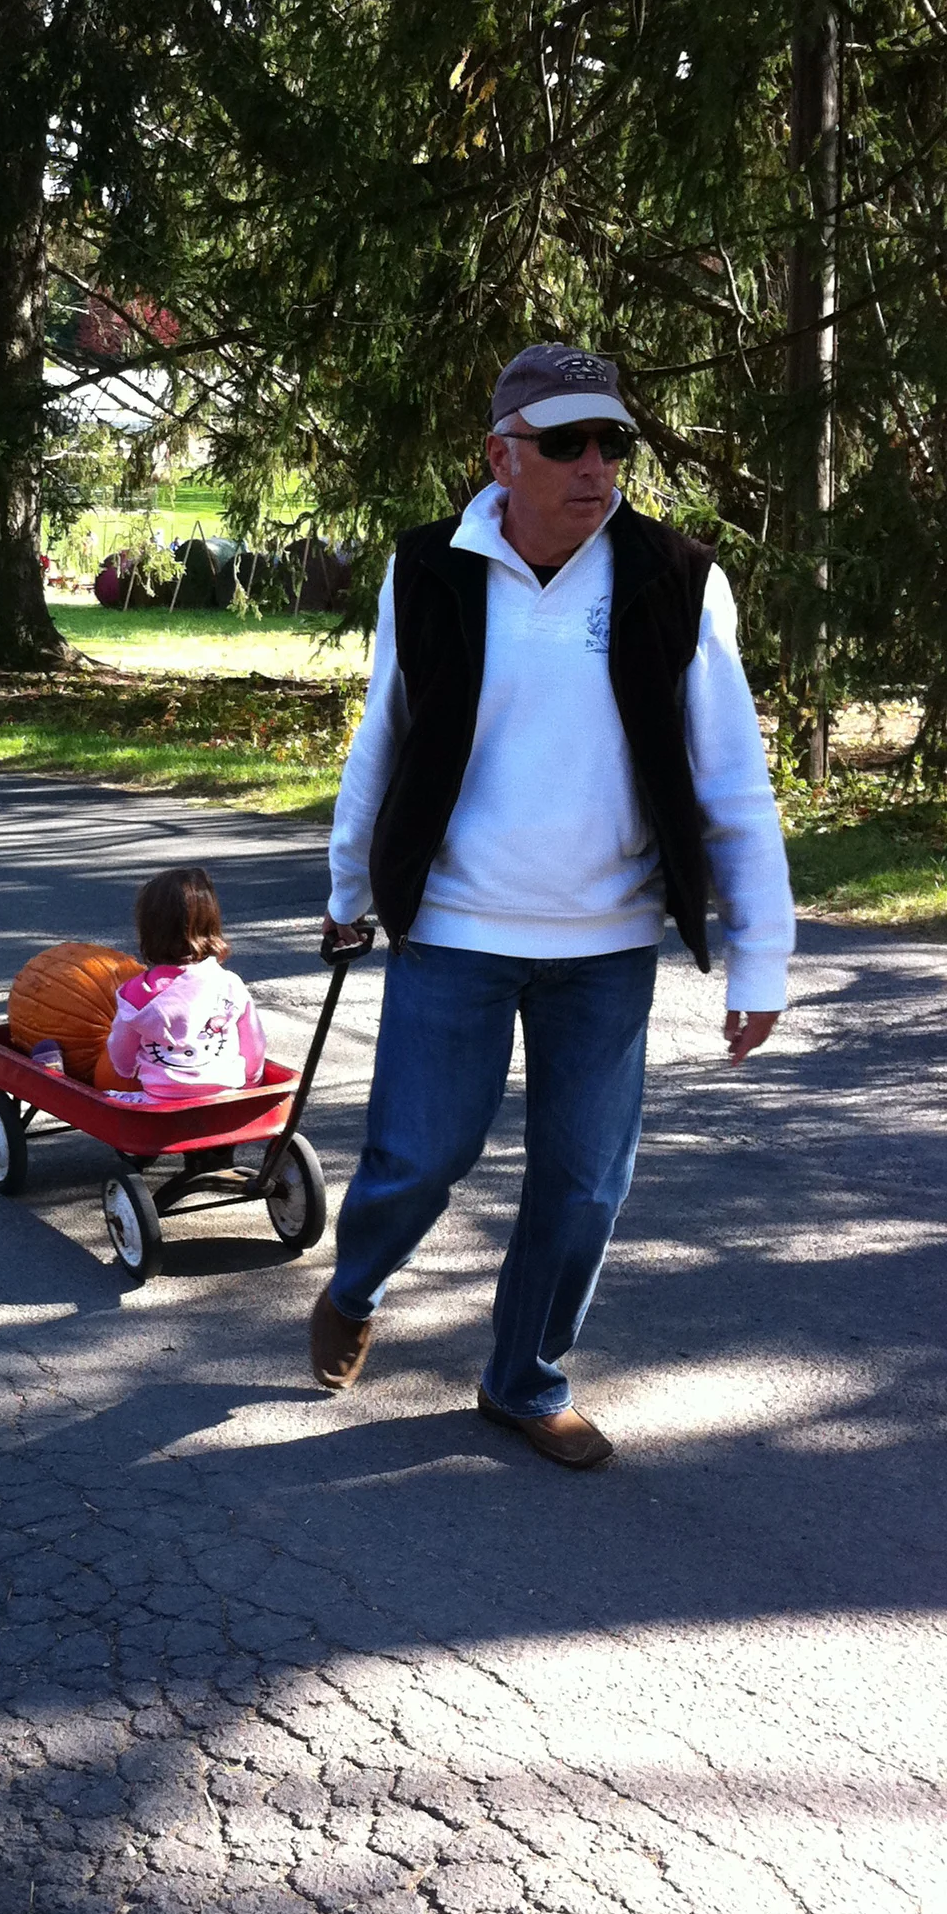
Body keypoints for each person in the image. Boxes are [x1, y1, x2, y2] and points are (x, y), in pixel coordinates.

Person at [310, 343, 795, 1467]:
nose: (594, 467)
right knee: (418, 1160)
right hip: (454, 925)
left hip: (606, 941)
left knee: (584, 1187)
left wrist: (759, 958)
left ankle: (522, 1381)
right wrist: (348, 891)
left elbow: (732, 779)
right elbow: (381, 738)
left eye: (612, 442)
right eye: (565, 443)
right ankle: (357, 1281)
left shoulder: (676, 577)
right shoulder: (428, 568)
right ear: (500, 454)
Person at [105, 866, 268, 1098]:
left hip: (159, 1101)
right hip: (225, 1098)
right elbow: (254, 1044)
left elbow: (120, 1051)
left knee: (106, 1100)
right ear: (211, 926)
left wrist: (125, 1070)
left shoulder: (136, 993)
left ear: (148, 932)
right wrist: (251, 1081)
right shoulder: (230, 984)